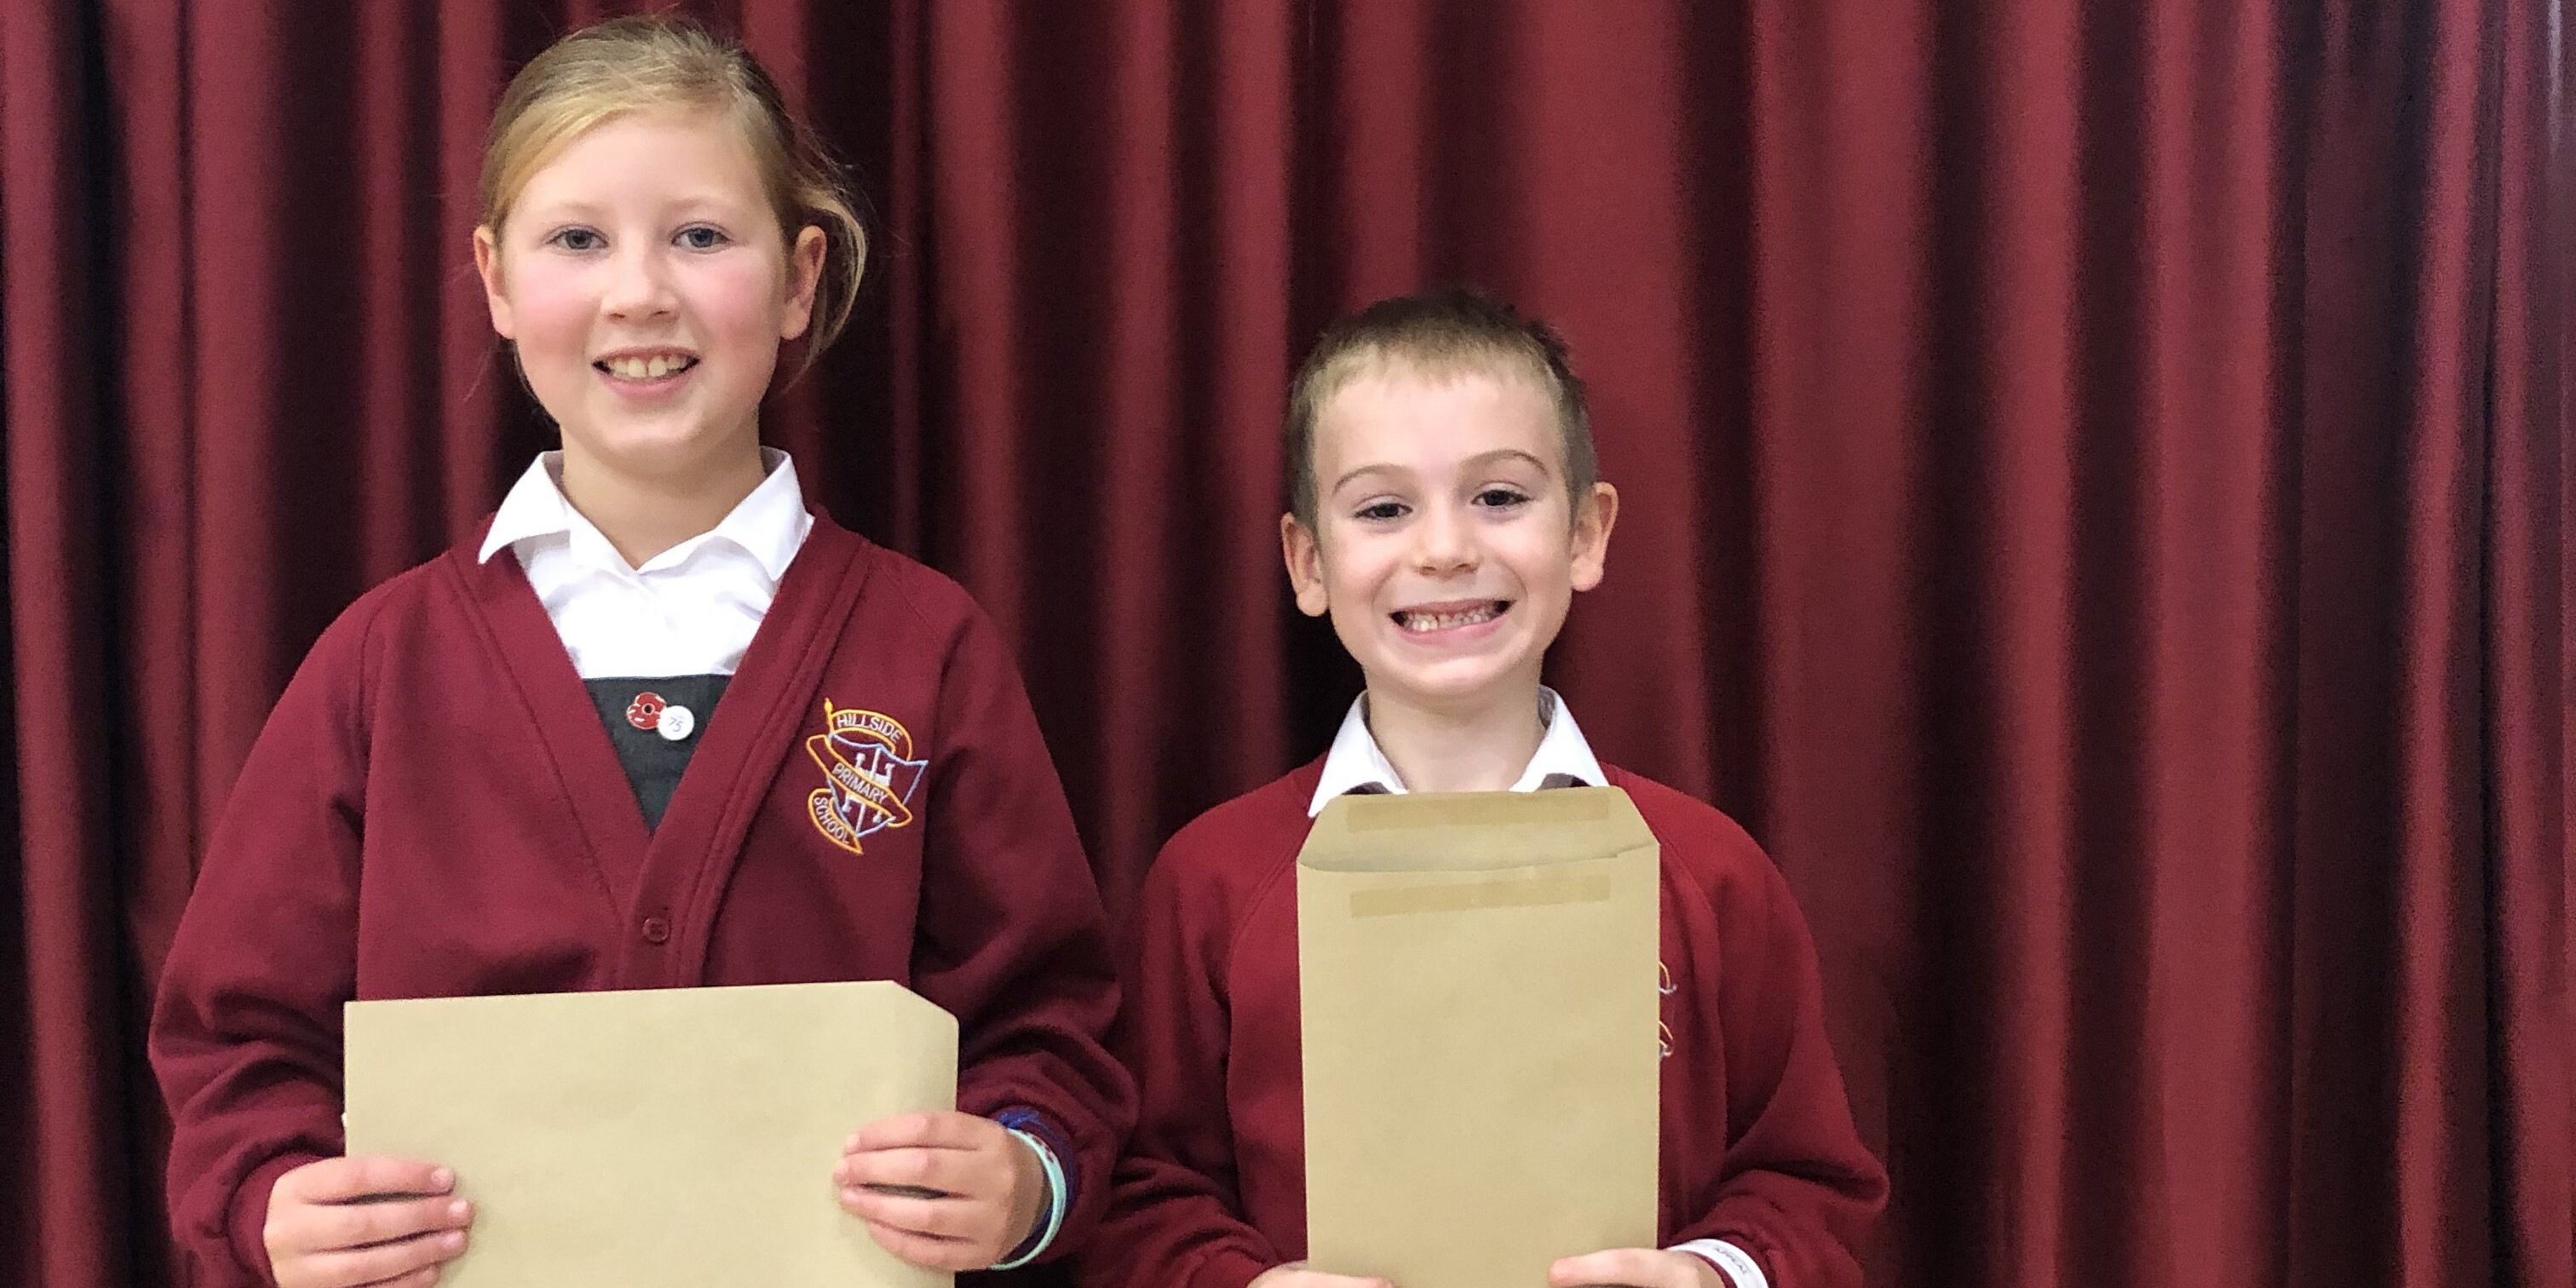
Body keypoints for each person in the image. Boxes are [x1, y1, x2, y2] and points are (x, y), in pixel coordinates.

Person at [150, 17, 1131, 1287]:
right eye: (577, 240)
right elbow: (237, 1040)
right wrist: (269, 1197)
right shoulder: (383, 663)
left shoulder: (925, 646)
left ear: (800, 277)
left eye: (701, 236)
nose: (640, 293)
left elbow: (1047, 1024)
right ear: (497, 282)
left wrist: (1025, 1175)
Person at [1079, 290, 1886, 1288]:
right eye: (1383, 509)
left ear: (1586, 534)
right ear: (1308, 563)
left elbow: (1808, 1183)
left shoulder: (1709, 874)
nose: (1446, 549)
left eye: (1499, 497)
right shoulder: (1211, 882)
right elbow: (1143, 1195)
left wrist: (1712, 1275)